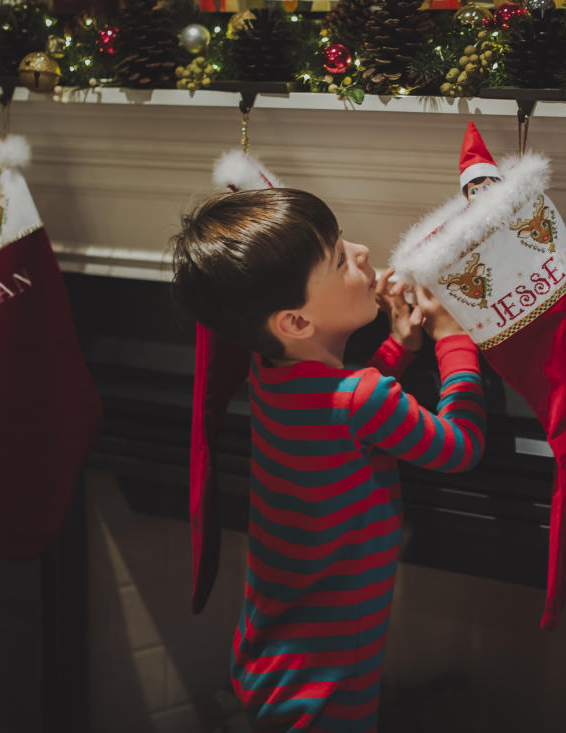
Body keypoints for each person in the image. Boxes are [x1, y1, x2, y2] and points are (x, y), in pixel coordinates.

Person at [171, 186, 486, 731]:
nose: (362, 251)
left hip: (272, 659)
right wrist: (454, 340)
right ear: (294, 322)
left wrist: (398, 350)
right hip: (326, 690)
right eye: (341, 258)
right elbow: (460, 448)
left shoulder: (269, 376)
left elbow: (343, 423)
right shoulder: (361, 398)